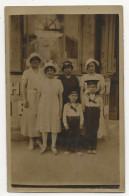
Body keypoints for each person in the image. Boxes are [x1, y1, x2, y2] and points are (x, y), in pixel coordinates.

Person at [36, 61, 63, 155]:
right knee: (45, 125)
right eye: (48, 70)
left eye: (51, 70)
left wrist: (60, 109)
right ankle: (44, 145)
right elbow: (38, 96)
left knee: (54, 124)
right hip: (43, 105)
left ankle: (53, 146)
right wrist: (37, 108)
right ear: (45, 72)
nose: (50, 72)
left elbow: (60, 96)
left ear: (54, 71)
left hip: (54, 105)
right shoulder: (41, 82)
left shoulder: (58, 82)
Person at [21, 53, 43, 150]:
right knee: (30, 118)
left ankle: (39, 139)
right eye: (33, 60)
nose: (35, 61)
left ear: (39, 61)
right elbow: (23, 86)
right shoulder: (27, 72)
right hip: (30, 96)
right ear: (30, 62)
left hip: (41, 96)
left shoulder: (42, 72)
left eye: (36, 59)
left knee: (40, 117)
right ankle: (31, 140)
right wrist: (25, 99)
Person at [80, 58, 106, 139]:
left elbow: (103, 89)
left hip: (96, 100)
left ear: (95, 67)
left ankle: (94, 139)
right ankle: (87, 140)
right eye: (89, 66)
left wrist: (98, 97)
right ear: (86, 68)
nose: (91, 68)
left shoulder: (99, 77)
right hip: (86, 100)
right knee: (87, 120)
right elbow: (82, 90)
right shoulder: (84, 77)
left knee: (96, 120)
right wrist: (82, 104)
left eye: (93, 66)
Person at [83, 80, 103, 154]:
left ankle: (94, 146)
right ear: (87, 88)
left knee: (95, 130)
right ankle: (88, 146)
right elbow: (83, 106)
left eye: (93, 87)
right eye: (90, 87)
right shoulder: (85, 96)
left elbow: (101, 106)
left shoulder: (99, 97)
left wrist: (97, 112)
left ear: (96, 88)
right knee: (88, 130)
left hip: (95, 113)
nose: (92, 88)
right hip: (88, 113)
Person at [63, 91, 84, 155]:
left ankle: (77, 149)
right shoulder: (66, 105)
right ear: (69, 97)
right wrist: (65, 124)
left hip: (76, 121)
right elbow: (64, 115)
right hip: (69, 121)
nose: (74, 97)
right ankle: (68, 149)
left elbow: (81, 115)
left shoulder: (79, 105)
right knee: (69, 136)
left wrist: (81, 123)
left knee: (77, 135)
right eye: (72, 95)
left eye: (75, 96)